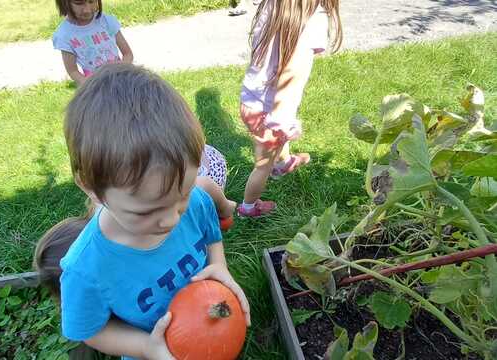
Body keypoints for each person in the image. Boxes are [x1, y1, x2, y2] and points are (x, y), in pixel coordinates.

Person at [43, 63, 250, 360]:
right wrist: (145, 348)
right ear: (91, 187)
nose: (172, 218)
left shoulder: (196, 202)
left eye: (181, 196)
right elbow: (90, 330)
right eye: (145, 212)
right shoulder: (86, 269)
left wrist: (219, 265)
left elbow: (211, 235)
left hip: (211, 332)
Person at [237, 0, 342, 218]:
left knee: (275, 145)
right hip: (270, 110)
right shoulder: (312, 19)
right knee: (262, 165)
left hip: (251, 100)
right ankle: (249, 207)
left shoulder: (275, 5)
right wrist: (281, 121)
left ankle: (284, 163)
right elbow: (292, 73)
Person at [52, 0, 133, 86]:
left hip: (122, 79)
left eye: (92, 1)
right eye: (79, 3)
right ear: (64, 3)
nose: (87, 10)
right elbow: (72, 71)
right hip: (97, 87)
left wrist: (121, 70)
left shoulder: (107, 21)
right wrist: (89, 85)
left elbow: (128, 54)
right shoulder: (64, 35)